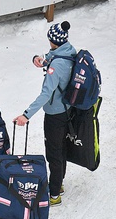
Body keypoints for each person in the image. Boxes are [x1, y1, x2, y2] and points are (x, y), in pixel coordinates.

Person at [13, 21, 76, 206]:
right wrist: (39, 59)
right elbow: (52, 57)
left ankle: (54, 194)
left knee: (54, 153)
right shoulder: (68, 51)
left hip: (55, 114)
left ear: (53, 40)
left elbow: (46, 94)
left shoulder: (56, 68)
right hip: (67, 110)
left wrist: (26, 114)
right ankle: (60, 182)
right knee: (61, 149)